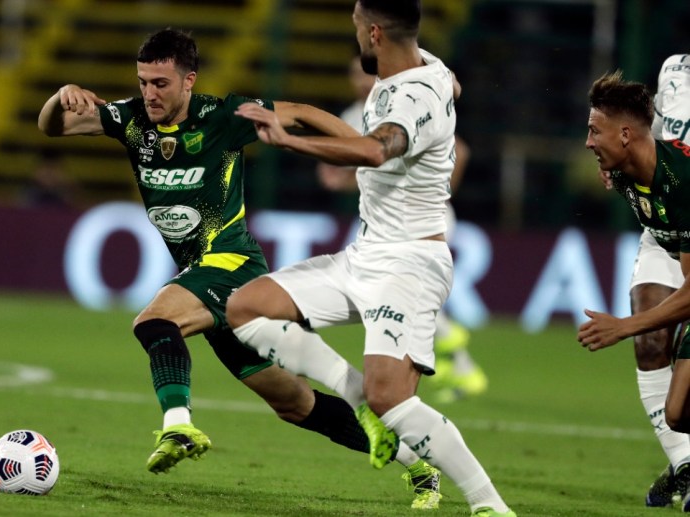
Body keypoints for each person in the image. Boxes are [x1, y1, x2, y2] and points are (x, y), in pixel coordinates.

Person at [37, 28, 442, 509]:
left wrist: (366, 150)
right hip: (203, 275)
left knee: (154, 322)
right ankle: (419, 462)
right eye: (143, 82)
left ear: (189, 81)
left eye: (161, 83)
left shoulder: (223, 116)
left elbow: (302, 113)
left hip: (231, 265)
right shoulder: (131, 119)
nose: (150, 93)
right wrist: (60, 96)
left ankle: (178, 426)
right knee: (295, 404)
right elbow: (52, 127)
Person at [229, 2, 514, 516]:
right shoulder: (426, 68)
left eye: (358, 28)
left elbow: (376, 150)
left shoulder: (414, 95)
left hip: (409, 264)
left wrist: (290, 141)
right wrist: (293, 112)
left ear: (376, 33)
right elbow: (450, 87)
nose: (356, 37)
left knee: (394, 401)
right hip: (365, 253)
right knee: (246, 307)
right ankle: (358, 401)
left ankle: (488, 504)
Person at [317, 55, 488, 404]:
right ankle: (462, 367)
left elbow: (460, 150)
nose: (361, 81)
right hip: (383, 221)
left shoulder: (402, 103)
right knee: (403, 297)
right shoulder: (352, 116)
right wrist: (338, 177)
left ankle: (442, 346)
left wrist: (439, 194)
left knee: (397, 294)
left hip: (425, 219)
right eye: (355, 75)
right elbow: (366, 173)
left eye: (366, 73)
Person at [579, 67, 690, 511]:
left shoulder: (684, 181)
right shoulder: (676, 69)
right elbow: (640, 123)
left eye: (593, 134)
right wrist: (616, 158)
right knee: (650, 341)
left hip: (683, 209)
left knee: (681, 404)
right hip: (666, 230)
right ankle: (684, 464)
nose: (587, 143)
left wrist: (622, 326)